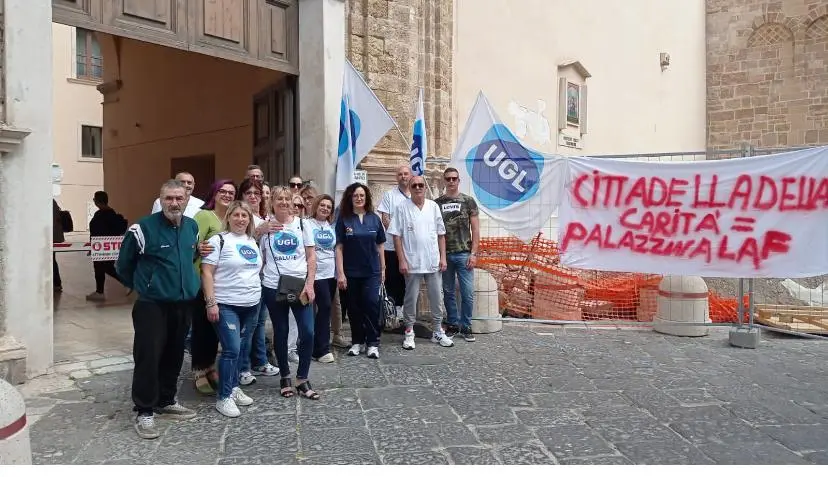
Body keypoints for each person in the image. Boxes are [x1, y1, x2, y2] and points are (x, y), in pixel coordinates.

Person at [116, 179, 201, 439]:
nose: (174, 203)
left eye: (179, 198)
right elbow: (123, 264)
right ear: (160, 199)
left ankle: (166, 400)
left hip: (182, 303)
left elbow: (191, 257)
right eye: (169, 198)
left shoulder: (192, 227)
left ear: (187, 199)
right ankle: (144, 410)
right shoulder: (142, 228)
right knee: (148, 357)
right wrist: (143, 285)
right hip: (152, 304)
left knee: (174, 354)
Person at [201, 201, 261, 417]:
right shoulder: (219, 241)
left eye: (244, 215)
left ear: (249, 219)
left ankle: (234, 387)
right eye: (236, 215)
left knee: (242, 349)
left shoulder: (251, 241)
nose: (240, 219)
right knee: (231, 349)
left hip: (251, 304)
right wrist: (211, 302)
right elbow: (206, 272)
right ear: (228, 217)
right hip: (226, 304)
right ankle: (224, 397)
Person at [261, 186, 320, 400]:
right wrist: (260, 229)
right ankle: (285, 376)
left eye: (287, 199)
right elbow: (257, 253)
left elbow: (311, 257)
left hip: (300, 285)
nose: (284, 202)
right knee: (281, 331)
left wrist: (310, 284)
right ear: (272, 203)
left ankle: (302, 377)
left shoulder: (302, 225)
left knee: (308, 331)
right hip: (272, 286)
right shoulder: (264, 227)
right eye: (279, 199)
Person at [387, 175, 453, 350]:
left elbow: (441, 234)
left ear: (425, 187)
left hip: (432, 260)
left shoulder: (433, 207)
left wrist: (443, 257)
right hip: (412, 262)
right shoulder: (402, 208)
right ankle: (409, 331)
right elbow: (396, 236)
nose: (417, 188)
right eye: (414, 185)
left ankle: (438, 331)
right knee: (410, 298)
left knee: (437, 297)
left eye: (420, 185)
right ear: (410, 187)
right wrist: (401, 260)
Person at [191, 180, 236, 395]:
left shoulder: (231, 218)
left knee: (214, 329)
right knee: (201, 327)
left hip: (223, 283)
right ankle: (199, 370)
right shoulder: (204, 216)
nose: (227, 195)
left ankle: (210, 367)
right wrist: (197, 247)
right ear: (214, 193)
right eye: (223, 191)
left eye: (231, 192)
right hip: (203, 279)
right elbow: (191, 242)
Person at [236, 178, 279, 385]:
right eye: (249, 193)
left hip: (265, 277)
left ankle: (260, 360)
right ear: (242, 196)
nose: (253, 196)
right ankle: (242, 367)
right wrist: (259, 230)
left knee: (260, 322)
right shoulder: (242, 215)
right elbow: (239, 239)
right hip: (247, 278)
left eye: (257, 193)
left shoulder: (266, 215)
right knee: (248, 326)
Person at [335, 183, 386, 359]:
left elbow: (380, 245)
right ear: (350, 197)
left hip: (372, 271)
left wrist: (383, 268)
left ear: (366, 198)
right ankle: (357, 341)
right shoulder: (344, 219)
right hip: (351, 272)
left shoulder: (374, 218)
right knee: (354, 308)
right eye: (355, 195)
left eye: (362, 195)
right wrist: (340, 273)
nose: (359, 198)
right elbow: (339, 247)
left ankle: (373, 343)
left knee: (371, 304)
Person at [436, 167, 480, 341]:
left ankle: (466, 325)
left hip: (464, 254)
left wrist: (474, 253)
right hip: (445, 255)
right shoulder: (437, 203)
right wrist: (440, 256)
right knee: (448, 292)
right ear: (444, 181)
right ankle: (453, 324)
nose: (451, 181)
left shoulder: (468, 201)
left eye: (454, 178)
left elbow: (475, 230)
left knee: (467, 293)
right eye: (448, 179)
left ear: (459, 180)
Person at [306, 194, 337, 363]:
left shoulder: (330, 226)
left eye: (328, 207)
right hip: (314, 274)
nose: (325, 208)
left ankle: (318, 347)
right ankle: (320, 349)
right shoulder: (307, 224)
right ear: (316, 205)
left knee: (325, 310)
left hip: (330, 274)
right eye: (322, 205)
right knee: (320, 308)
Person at [378, 165, 412, 317]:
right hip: (391, 246)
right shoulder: (389, 195)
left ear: (410, 175)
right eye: (400, 174)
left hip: (411, 247)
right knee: (393, 280)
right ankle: (392, 312)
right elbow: (385, 218)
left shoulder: (416, 194)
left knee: (410, 280)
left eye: (406, 174)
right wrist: (397, 233)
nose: (403, 176)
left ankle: (406, 311)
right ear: (396, 177)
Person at [86, 191, 128, 301]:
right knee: (105, 268)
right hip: (108, 247)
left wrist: (93, 246)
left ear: (98, 201)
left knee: (104, 268)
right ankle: (100, 291)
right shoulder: (112, 214)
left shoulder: (100, 215)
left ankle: (125, 283)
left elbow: (96, 232)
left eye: (95, 199)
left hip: (101, 246)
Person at [53, 199, 65, 293]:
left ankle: (56, 283)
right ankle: (56, 283)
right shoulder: (52, 202)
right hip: (53, 236)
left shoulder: (48, 202)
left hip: (49, 236)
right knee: (51, 260)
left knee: (51, 260)